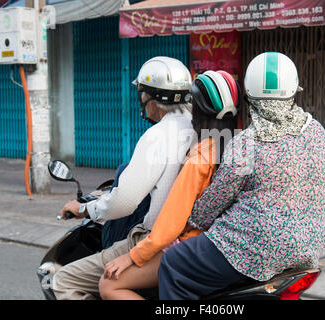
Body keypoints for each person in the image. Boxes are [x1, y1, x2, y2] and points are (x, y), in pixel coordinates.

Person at [157, 52, 325, 300]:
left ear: (249, 99)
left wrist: (188, 223)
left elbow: (213, 203)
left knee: (174, 263)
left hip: (253, 249)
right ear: (294, 91)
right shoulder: (317, 131)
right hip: (310, 247)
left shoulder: (246, 143)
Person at [52, 56, 194, 300]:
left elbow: (124, 202)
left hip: (153, 239)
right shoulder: (200, 127)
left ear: (150, 98)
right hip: (187, 238)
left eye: (141, 94)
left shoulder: (158, 136)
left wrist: (85, 209)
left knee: (63, 280)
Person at [97, 70, 240, 300]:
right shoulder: (240, 147)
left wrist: (131, 257)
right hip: (224, 247)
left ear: (197, 109)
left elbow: (170, 225)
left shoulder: (199, 159)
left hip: (189, 247)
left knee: (108, 285)